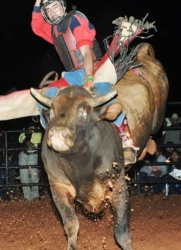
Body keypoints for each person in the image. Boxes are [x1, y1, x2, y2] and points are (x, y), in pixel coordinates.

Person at [31, 0, 147, 165]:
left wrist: (89, 76)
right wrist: (37, 2)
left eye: (55, 7)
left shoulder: (75, 20)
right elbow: (36, 26)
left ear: (63, 6)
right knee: (45, 98)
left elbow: (86, 53)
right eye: (48, 10)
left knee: (104, 95)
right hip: (72, 75)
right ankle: (53, 136)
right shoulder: (53, 29)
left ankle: (126, 141)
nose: (52, 12)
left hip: (93, 67)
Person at [18, 124, 43, 201]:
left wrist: (33, 144)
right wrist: (27, 134)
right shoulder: (24, 131)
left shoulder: (38, 132)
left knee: (33, 175)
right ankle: (27, 196)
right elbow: (20, 140)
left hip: (33, 154)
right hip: (24, 154)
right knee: (23, 175)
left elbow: (38, 142)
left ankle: (35, 195)